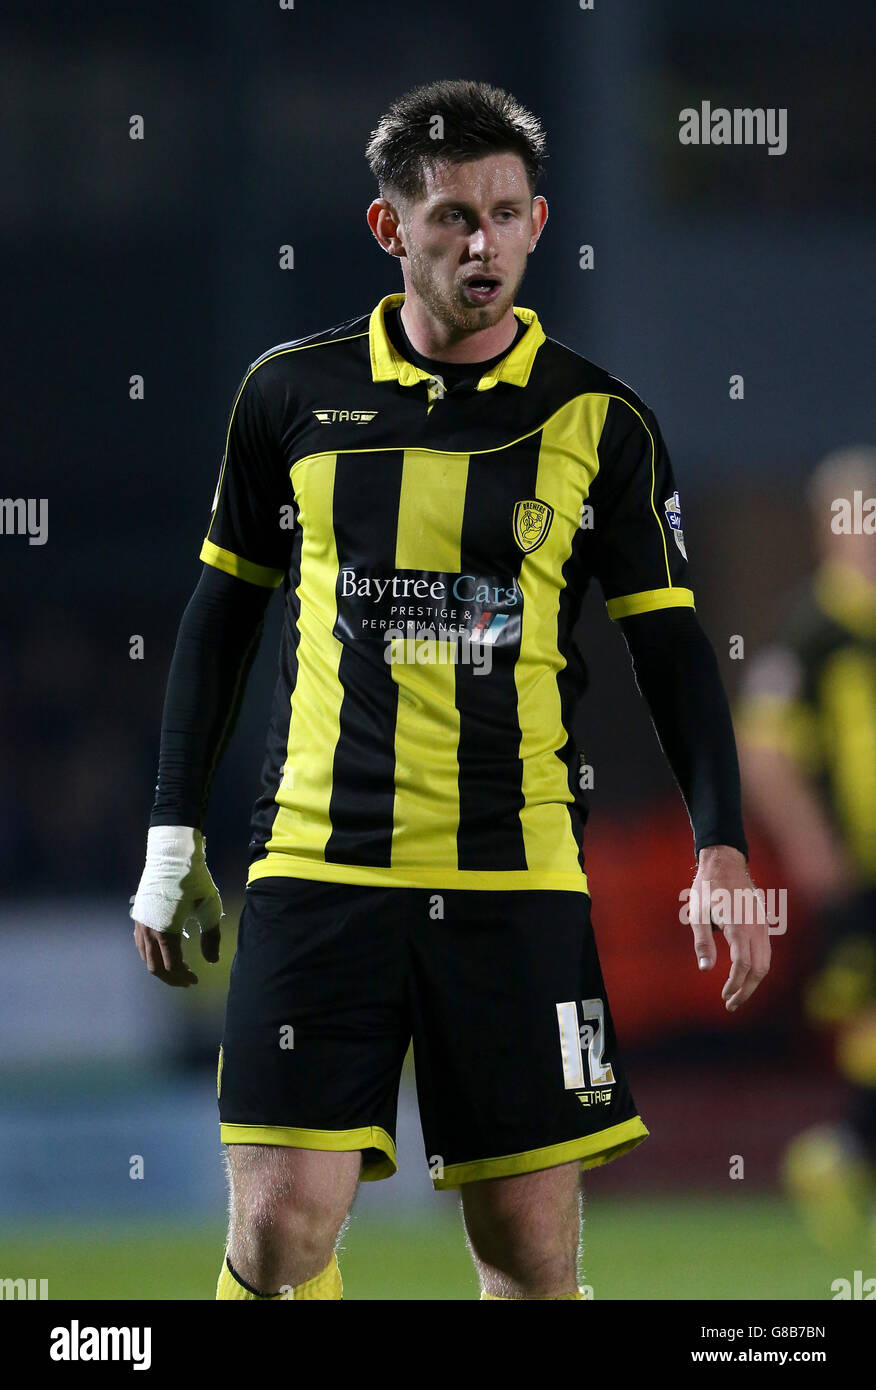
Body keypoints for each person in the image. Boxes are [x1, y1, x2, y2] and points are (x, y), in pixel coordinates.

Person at [131, 79, 769, 1301]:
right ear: (391, 230)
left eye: (506, 212)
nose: (482, 242)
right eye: (451, 218)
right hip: (320, 863)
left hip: (512, 876)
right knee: (275, 1235)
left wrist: (722, 844)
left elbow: (675, 647)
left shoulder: (603, 423)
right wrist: (172, 840)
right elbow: (221, 619)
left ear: (539, 221)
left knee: (529, 1258)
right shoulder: (289, 397)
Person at [736, 446, 876, 1252]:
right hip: (854, 865)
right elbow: (765, 751)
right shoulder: (809, 629)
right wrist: (811, 842)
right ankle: (842, 1153)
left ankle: (845, 1154)